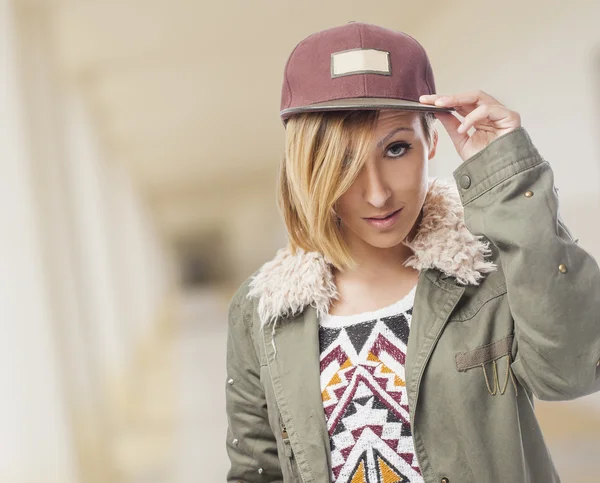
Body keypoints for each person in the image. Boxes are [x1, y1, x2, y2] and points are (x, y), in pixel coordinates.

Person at [224, 22, 600, 483]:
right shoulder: (263, 310)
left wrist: (506, 176)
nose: (378, 193)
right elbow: (256, 471)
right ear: (308, 165)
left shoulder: (491, 268)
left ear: (433, 142)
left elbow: (573, 371)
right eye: (342, 161)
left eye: (397, 148)